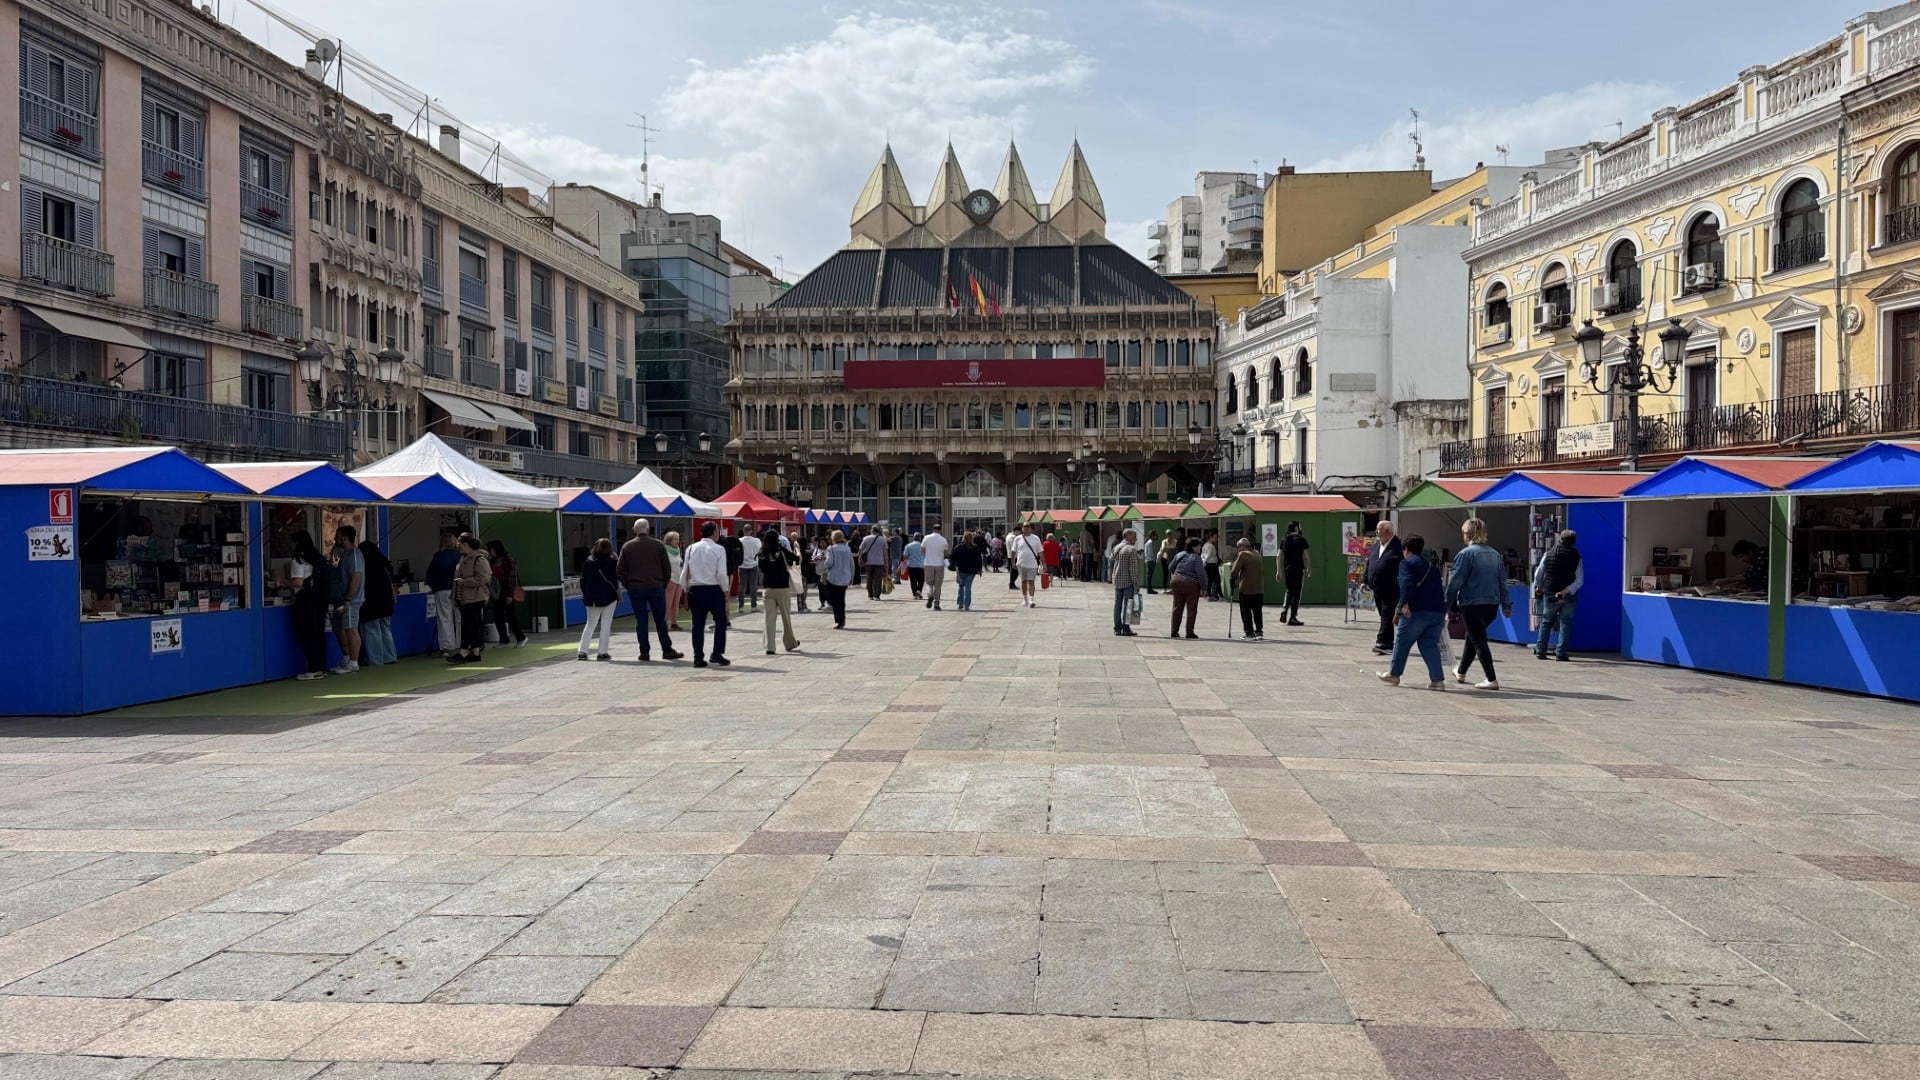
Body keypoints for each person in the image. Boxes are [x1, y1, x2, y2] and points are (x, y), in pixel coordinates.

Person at [1446, 517, 1511, 690]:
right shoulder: (1495, 555)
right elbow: (1502, 582)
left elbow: (1455, 583)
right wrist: (1506, 605)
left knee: (1479, 639)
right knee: (1473, 636)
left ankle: (1491, 678)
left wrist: (1446, 605)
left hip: (1471, 603)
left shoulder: (1465, 554)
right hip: (1491, 604)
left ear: (1468, 534)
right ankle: (1461, 670)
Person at [1379, 534, 1447, 690]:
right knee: (1430, 645)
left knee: (1402, 642)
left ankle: (1394, 674)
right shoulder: (1431, 566)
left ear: (1406, 549)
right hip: (1437, 612)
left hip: (1416, 611)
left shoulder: (1406, 563)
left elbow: (1406, 584)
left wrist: (1403, 603)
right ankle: (1437, 680)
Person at [618, 519, 683, 662]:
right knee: (660, 619)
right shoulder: (658, 545)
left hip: (636, 587)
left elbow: (620, 570)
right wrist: (663, 583)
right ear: (648, 530)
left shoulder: (627, 546)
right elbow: (667, 568)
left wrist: (628, 584)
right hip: (655, 586)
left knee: (641, 620)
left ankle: (644, 652)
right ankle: (666, 649)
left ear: (635, 530)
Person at [681, 522, 732, 667]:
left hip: (695, 589)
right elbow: (722, 573)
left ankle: (698, 657)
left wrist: (685, 590)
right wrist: (725, 590)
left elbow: (685, 572)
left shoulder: (691, 548)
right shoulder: (719, 549)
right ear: (714, 533)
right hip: (714, 589)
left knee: (697, 624)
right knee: (720, 622)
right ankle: (717, 653)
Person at [1531, 529, 1583, 662]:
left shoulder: (1549, 553)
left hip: (1550, 593)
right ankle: (1560, 652)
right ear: (1573, 541)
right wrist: (1567, 590)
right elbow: (1579, 580)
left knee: (1546, 621)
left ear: (1560, 539)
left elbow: (1539, 573)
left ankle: (1541, 650)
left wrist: (1539, 587)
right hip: (1568, 596)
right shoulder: (1576, 555)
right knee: (1565, 623)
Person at [288, 530, 329, 680]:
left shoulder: (297, 560)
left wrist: (282, 581)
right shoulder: (318, 558)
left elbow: (298, 582)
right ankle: (321, 667)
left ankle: (313, 668)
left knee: (306, 634)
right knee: (318, 633)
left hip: (305, 600)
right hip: (320, 600)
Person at [448, 533, 492, 664]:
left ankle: (463, 651)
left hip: (476, 597)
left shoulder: (479, 559)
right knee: (472, 625)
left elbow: (484, 578)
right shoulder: (464, 558)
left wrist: (464, 582)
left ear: (466, 544)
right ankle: (475, 651)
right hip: (466, 597)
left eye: (459, 544)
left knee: (468, 625)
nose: (457, 546)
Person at [758, 526, 800, 655]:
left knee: (769, 619)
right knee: (786, 618)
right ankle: (789, 643)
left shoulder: (762, 552)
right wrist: (797, 550)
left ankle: (770, 647)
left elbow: (763, 570)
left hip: (768, 589)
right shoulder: (780, 549)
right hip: (782, 587)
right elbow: (796, 559)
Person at [328, 525, 365, 674]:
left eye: (337, 536)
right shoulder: (345, 554)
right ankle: (347, 658)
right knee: (343, 629)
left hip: (352, 600)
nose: (334, 539)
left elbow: (356, 578)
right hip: (343, 598)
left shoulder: (355, 555)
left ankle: (353, 663)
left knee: (351, 630)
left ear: (344, 537)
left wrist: (349, 599)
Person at [577, 538, 620, 661]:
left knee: (590, 624)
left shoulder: (588, 562)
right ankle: (602, 652)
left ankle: (582, 651)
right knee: (606, 624)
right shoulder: (612, 562)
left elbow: (583, 580)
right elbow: (615, 579)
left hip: (591, 598)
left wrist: (586, 593)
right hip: (609, 597)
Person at [1364, 521, 1403, 655]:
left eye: (1378, 530)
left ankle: (1383, 642)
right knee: (1384, 615)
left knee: (1387, 614)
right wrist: (1365, 580)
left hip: (1391, 587)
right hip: (1377, 587)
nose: (1376, 533)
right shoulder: (1377, 545)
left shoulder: (1398, 547)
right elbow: (1370, 563)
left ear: (1388, 532)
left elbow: (1403, 566)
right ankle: (1389, 642)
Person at [357, 540, 397, 666]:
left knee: (372, 631)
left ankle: (375, 660)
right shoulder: (384, 564)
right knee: (386, 629)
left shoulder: (365, 566)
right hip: (386, 602)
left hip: (371, 604)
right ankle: (390, 656)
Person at [425, 531, 462, 656]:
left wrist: (434, 586)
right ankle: (462, 644)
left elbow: (429, 575)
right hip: (458, 590)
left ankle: (447, 647)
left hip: (441, 591)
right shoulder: (459, 556)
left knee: (444, 619)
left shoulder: (437, 556)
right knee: (460, 618)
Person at [487, 539, 528, 648]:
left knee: (511, 616)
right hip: (496, 591)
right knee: (498, 616)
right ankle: (503, 639)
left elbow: (512, 578)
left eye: (491, 549)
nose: (490, 552)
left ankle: (521, 637)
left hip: (506, 590)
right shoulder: (492, 562)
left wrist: (510, 594)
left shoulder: (509, 560)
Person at [1167, 535, 1207, 639]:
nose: (1200, 548)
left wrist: (1178, 574)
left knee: (1177, 607)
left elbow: (1170, 567)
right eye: (1199, 546)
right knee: (1191, 609)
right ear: (1193, 547)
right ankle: (1189, 632)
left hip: (1176, 582)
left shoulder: (1180, 554)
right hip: (1191, 585)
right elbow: (1200, 574)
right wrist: (1204, 588)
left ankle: (1174, 631)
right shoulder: (1196, 558)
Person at [1229, 537, 1265, 640]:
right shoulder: (1257, 554)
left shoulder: (1243, 554)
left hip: (1246, 589)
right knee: (1257, 611)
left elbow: (1234, 571)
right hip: (1259, 589)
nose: (1238, 550)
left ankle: (1249, 632)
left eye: (1238, 547)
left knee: (1246, 612)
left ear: (1242, 547)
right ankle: (1259, 631)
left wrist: (1232, 581)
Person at [1110, 528, 1145, 636]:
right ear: (1128, 536)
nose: (1135, 539)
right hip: (1128, 581)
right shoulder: (1130, 549)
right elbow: (1133, 569)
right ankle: (1126, 628)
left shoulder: (1117, 547)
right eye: (1134, 536)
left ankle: (1117, 628)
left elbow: (1110, 560)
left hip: (1117, 579)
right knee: (1128, 605)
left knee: (1117, 605)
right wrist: (1136, 583)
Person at [1280, 521, 1311, 627]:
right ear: (1296, 528)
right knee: (1296, 593)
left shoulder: (1284, 540)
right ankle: (1292, 617)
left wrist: (1278, 571)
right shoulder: (1302, 540)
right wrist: (1308, 568)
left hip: (1287, 569)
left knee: (1289, 591)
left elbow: (1278, 556)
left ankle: (1284, 610)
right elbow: (1306, 556)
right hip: (1298, 569)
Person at [822, 529, 855, 628]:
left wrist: (825, 564)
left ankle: (839, 620)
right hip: (845, 577)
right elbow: (851, 563)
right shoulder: (847, 548)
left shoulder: (831, 548)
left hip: (834, 577)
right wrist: (852, 577)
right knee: (841, 599)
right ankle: (841, 620)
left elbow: (829, 563)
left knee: (832, 598)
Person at [1012, 522, 1045, 607]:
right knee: (1023, 582)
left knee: (1031, 582)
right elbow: (1013, 551)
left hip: (1032, 564)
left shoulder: (1035, 538)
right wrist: (1012, 561)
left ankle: (1031, 599)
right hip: (1021, 564)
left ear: (1031, 528)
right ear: (1022, 528)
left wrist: (1044, 563)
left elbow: (1040, 551)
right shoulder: (1018, 538)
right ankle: (1025, 599)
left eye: (1028, 526)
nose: (1026, 528)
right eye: (1024, 527)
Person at [950, 530, 983, 611]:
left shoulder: (959, 547)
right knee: (968, 587)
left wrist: (954, 565)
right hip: (972, 571)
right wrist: (979, 569)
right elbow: (979, 559)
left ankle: (960, 604)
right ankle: (967, 605)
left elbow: (952, 557)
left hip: (961, 570)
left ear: (963, 537)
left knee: (961, 586)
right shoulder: (975, 547)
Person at [921, 527, 949, 610]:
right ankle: (936, 604)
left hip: (928, 563)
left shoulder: (926, 537)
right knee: (938, 585)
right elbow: (945, 552)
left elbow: (922, 549)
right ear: (940, 530)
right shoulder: (943, 539)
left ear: (933, 529)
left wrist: (926, 556)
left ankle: (930, 594)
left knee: (929, 583)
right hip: (939, 564)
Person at [663, 530, 686, 630]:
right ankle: (664, 622)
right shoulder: (665, 550)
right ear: (669, 540)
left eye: (678, 539)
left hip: (679, 579)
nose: (677, 541)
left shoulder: (677, 550)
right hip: (670, 580)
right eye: (675, 539)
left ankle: (674, 622)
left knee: (676, 602)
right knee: (668, 602)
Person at [858, 527, 889, 600]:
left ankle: (870, 594)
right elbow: (885, 552)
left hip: (868, 562)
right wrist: (886, 562)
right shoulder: (883, 539)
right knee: (878, 579)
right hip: (879, 562)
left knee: (869, 578)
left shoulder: (866, 538)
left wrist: (859, 558)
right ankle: (877, 595)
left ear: (872, 531)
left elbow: (861, 549)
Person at [737, 526, 763, 613]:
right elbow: (760, 551)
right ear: (751, 531)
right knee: (753, 586)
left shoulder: (739, 541)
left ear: (743, 531)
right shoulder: (757, 541)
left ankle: (741, 607)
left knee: (742, 586)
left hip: (742, 565)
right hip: (754, 565)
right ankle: (753, 606)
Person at [798, 529, 821, 612]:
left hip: (798, 573)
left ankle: (800, 606)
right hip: (804, 573)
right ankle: (803, 606)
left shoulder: (797, 552)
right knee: (803, 590)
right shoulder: (804, 553)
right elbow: (810, 561)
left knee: (799, 590)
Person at [1202, 532, 1222, 601]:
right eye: (1215, 538)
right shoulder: (1210, 546)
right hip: (1211, 565)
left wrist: (1204, 561)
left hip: (1207, 564)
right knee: (1217, 580)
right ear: (1210, 537)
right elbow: (1208, 555)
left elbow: (1203, 555)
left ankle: (1209, 595)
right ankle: (1219, 595)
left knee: (1210, 580)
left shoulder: (1205, 545)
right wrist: (1205, 561)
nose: (1216, 539)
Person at [904, 533, 925, 599]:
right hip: (921, 565)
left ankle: (915, 594)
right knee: (921, 580)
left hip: (911, 565)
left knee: (913, 581)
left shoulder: (909, 546)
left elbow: (905, 555)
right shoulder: (923, 546)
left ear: (913, 538)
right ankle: (919, 590)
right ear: (920, 538)